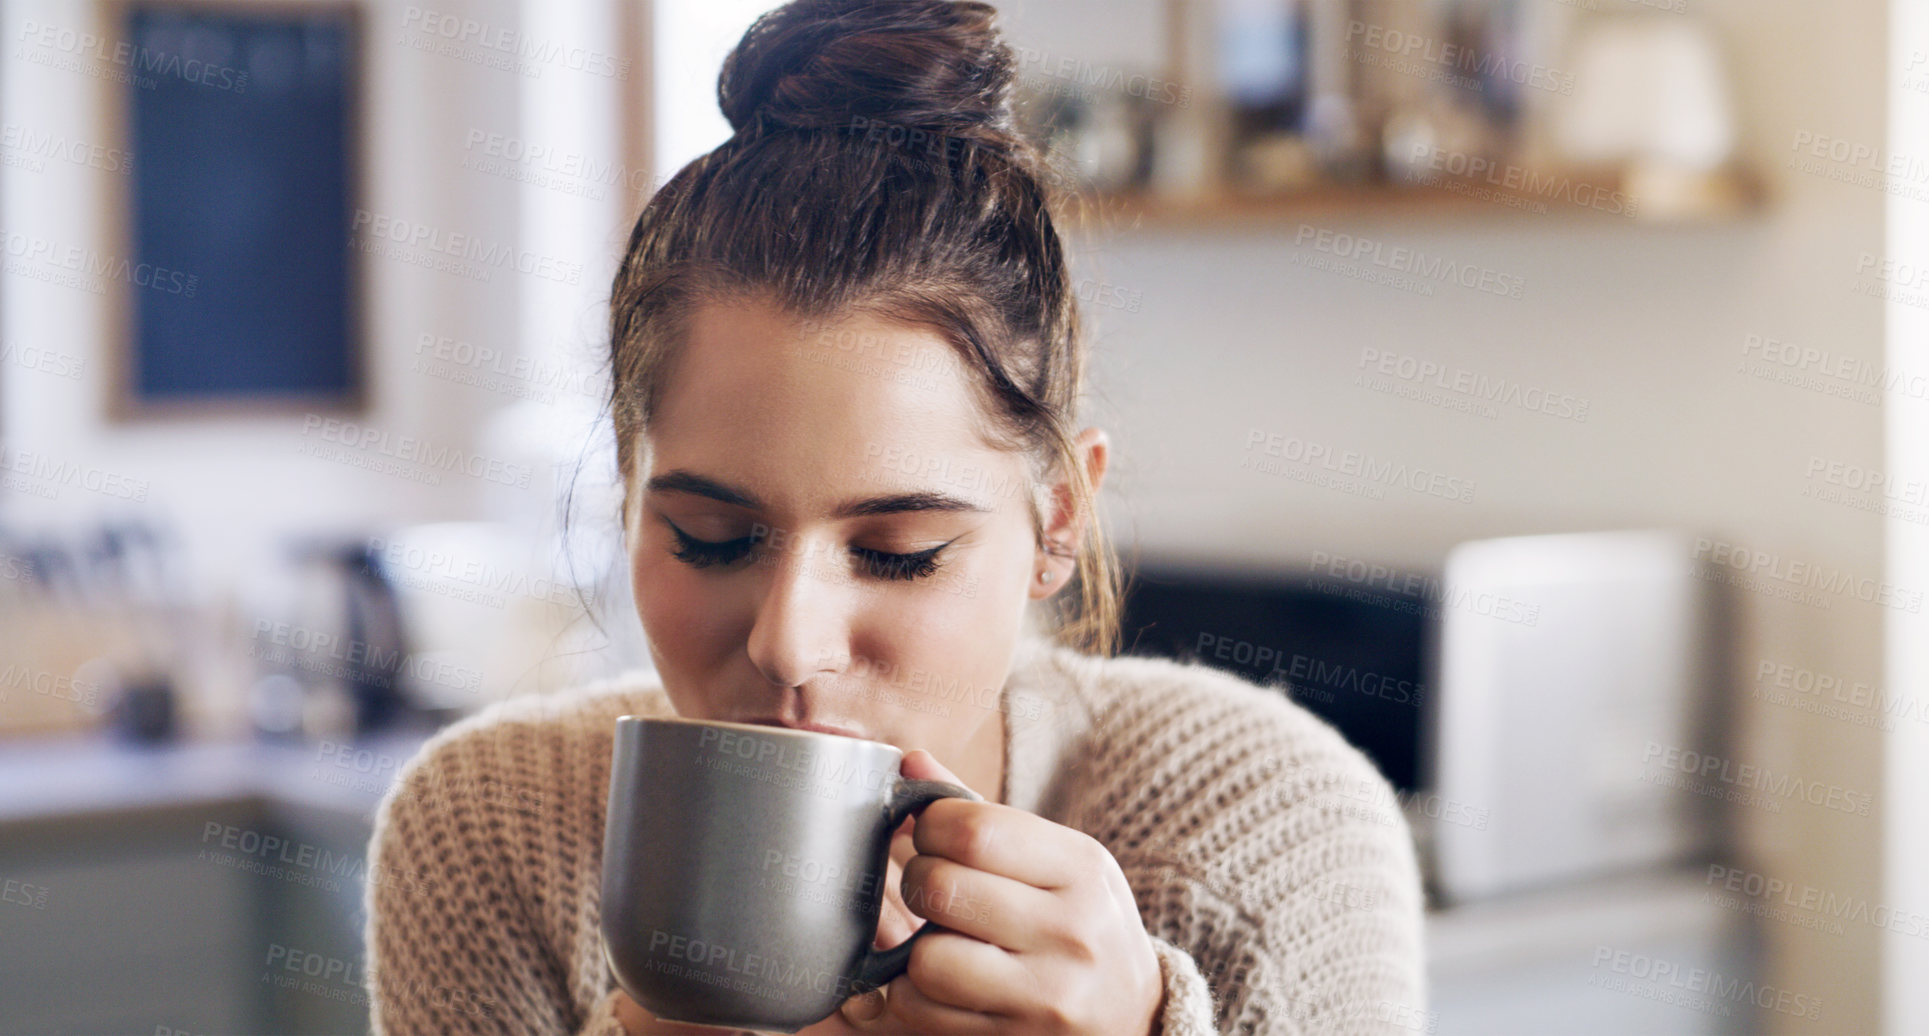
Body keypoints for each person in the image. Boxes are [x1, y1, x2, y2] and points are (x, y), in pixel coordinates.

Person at [363, 1, 1425, 1033]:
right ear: (633, 497)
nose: (787, 640)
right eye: (711, 538)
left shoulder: (1272, 824)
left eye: (898, 554)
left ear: (1059, 519)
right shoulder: (488, 830)